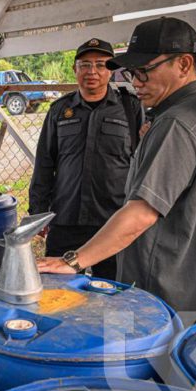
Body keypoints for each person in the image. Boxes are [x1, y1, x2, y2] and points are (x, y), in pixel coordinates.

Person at [38, 17, 196, 316]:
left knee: (128, 355)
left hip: (158, 288)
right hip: (180, 278)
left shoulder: (172, 122)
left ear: (184, 65)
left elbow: (142, 212)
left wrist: (72, 260)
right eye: (132, 73)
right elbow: (45, 163)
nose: (136, 82)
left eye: (144, 72)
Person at [29, 38, 142, 280]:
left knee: (112, 295)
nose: (92, 72)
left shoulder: (131, 109)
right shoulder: (60, 110)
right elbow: (44, 164)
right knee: (58, 291)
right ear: (75, 69)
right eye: (85, 65)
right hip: (66, 219)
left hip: (112, 221)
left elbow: (143, 164)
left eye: (101, 65)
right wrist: (38, 212)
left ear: (110, 70)